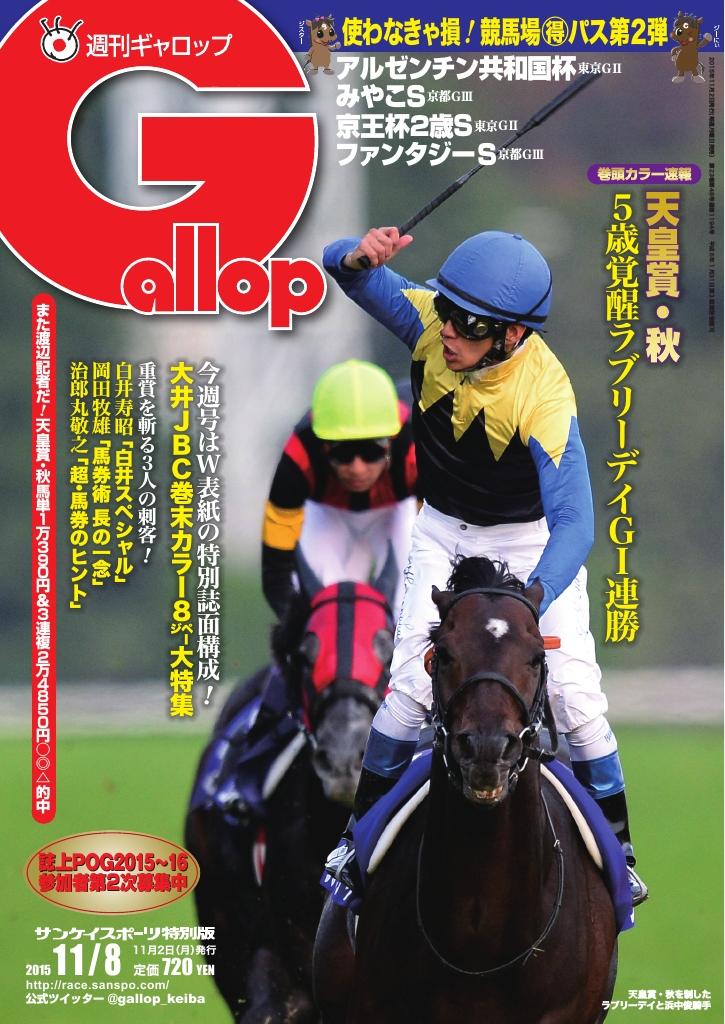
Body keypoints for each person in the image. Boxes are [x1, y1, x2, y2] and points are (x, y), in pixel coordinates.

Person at [322, 226, 648, 905]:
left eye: (469, 324)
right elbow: (347, 273)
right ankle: (356, 843)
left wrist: (533, 596)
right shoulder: (430, 323)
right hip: (442, 533)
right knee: (407, 694)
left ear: (511, 335)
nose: (448, 331)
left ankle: (618, 857)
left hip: (530, 544)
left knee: (575, 700)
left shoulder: (545, 396)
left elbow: (576, 523)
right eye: (447, 309)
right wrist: (356, 256)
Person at [262, 359, 419, 619]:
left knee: (410, 600)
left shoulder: (418, 442)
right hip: (329, 514)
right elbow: (276, 573)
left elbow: (440, 540)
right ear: (323, 445)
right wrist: (299, 628)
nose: (357, 469)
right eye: (343, 452)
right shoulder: (299, 454)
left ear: (391, 441)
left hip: (399, 510)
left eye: (371, 451)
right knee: (320, 609)